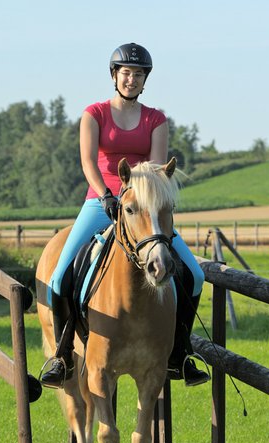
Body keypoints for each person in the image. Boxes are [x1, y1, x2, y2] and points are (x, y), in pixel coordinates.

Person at [40, 42, 210, 389]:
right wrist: (105, 195)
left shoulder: (156, 119)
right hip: (100, 203)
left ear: (145, 80)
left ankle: (180, 354)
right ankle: (61, 356)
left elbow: (156, 171)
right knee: (59, 278)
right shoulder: (95, 113)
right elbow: (88, 161)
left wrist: (137, 201)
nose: (131, 79)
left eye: (138, 74)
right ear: (114, 75)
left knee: (193, 274)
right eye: (126, 73)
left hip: (143, 210)